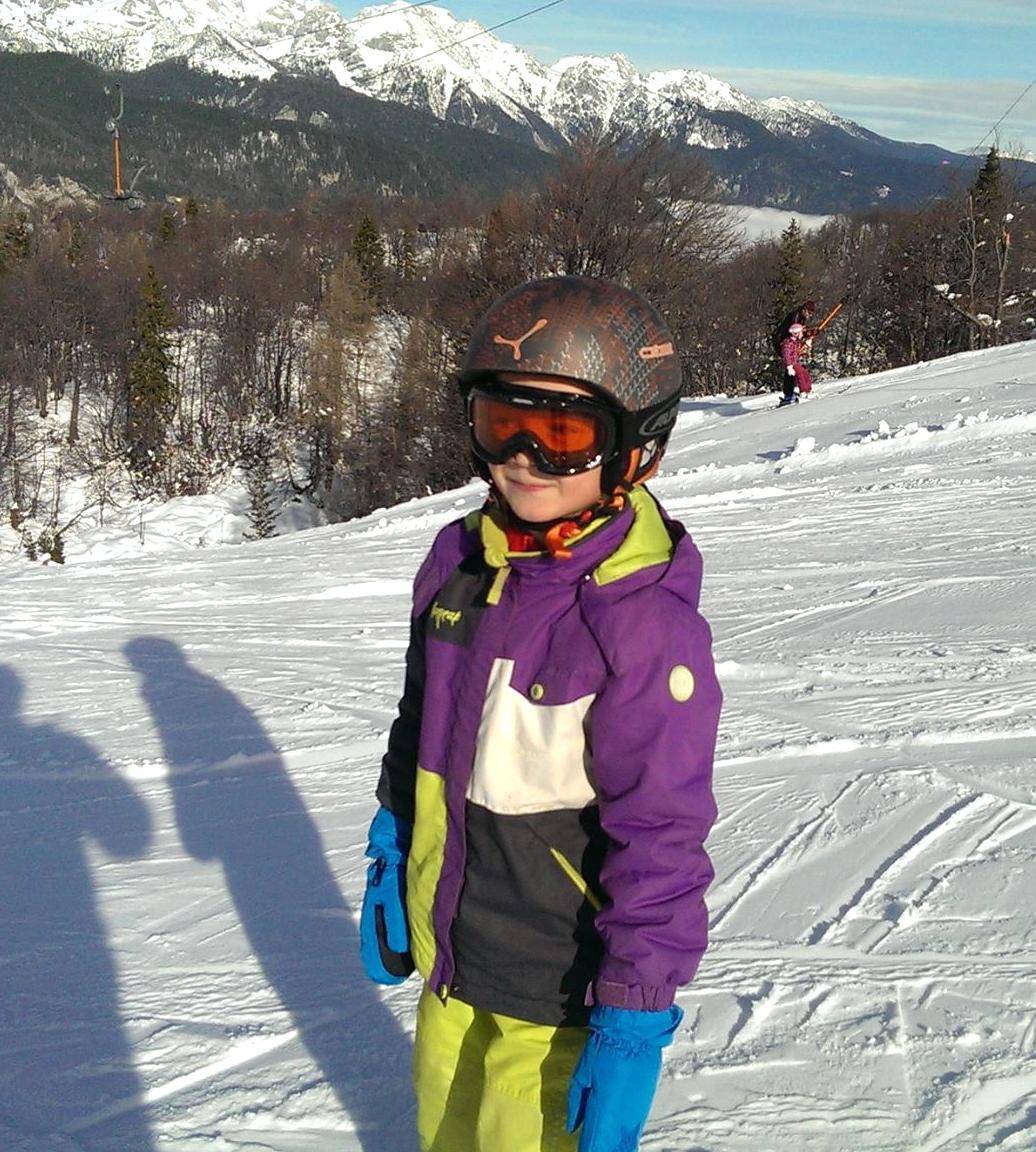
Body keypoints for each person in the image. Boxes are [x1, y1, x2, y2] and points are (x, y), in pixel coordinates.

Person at [358, 274, 722, 1152]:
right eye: (499, 423)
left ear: (635, 449)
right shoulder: (458, 561)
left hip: (555, 996)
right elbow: (422, 721)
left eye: (560, 434)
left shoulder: (640, 628)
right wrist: (394, 832)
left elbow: (661, 838)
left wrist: (633, 1018)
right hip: (451, 968)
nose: (521, 456)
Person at [773, 299, 816, 404]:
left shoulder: (800, 317)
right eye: (809, 313)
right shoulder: (795, 318)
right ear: (804, 310)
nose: (809, 316)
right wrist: (807, 334)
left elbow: (799, 333)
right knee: (791, 369)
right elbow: (795, 332)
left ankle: (798, 391)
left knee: (799, 370)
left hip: (791, 346)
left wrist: (809, 333)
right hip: (782, 343)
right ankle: (790, 393)